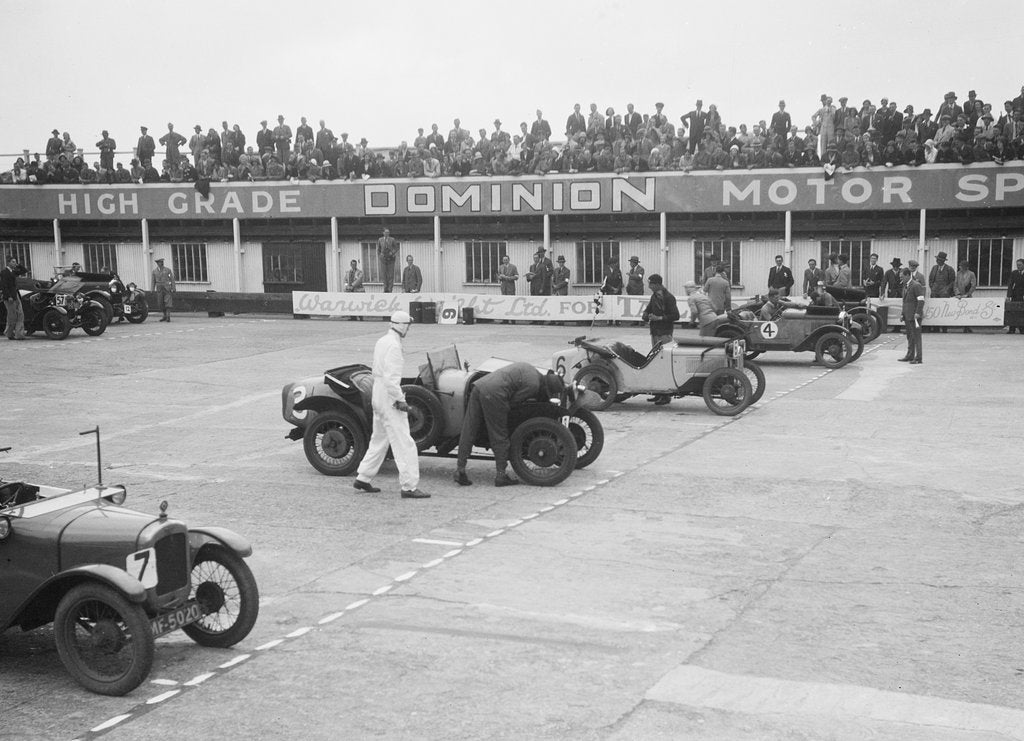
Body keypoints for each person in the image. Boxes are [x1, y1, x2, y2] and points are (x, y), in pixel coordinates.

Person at [353, 311, 429, 499]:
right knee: (405, 443)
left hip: (377, 394)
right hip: (388, 396)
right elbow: (392, 379)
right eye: (408, 326)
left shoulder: (382, 341)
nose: (408, 329)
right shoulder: (395, 346)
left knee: (379, 438)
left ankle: (363, 476)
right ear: (402, 326)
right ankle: (409, 486)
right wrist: (400, 400)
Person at [454, 362, 563, 488]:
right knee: (499, 435)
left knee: (469, 429)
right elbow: (514, 403)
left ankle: (460, 469)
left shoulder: (532, 370)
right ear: (546, 388)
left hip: (479, 386)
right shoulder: (534, 385)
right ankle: (501, 475)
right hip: (495, 394)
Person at [641, 274, 679, 405]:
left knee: (665, 363)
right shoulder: (654, 296)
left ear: (657, 284)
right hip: (655, 332)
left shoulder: (669, 298)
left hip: (665, 333)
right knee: (656, 362)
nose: (649, 286)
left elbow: (676, 315)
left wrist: (660, 318)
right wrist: (646, 315)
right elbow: (647, 310)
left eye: (651, 284)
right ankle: (658, 393)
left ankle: (666, 394)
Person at [899, 268, 924, 364]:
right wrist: (902, 313)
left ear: (908, 275)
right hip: (907, 315)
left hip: (914, 316)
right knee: (910, 336)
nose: (901, 278)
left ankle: (918, 358)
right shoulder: (905, 286)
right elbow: (905, 301)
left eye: (902, 277)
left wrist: (918, 312)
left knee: (916, 337)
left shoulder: (916, 285)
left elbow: (921, 300)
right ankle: (910, 355)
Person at [1, 254, 28, 340]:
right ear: (8, 263)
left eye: (15, 262)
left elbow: (24, 270)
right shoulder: (4, 272)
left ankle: (19, 334)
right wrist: (8, 296)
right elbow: (4, 286)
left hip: (16, 295)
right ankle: (9, 333)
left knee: (20, 314)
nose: (15, 263)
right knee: (12, 316)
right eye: (13, 262)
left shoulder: (13, 272)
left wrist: (19, 265)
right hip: (9, 297)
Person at [928, 251, 956, 333]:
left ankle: (944, 328)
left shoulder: (949, 269)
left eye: (940, 260)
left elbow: (952, 282)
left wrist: (947, 289)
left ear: (944, 261)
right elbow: (930, 280)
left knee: (944, 311)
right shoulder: (934, 268)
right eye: (937, 259)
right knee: (934, 310)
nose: (938, 261)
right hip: (934, 293)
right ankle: (935, 328)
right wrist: (932, 288)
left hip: (944, 293)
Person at [954, 259, 977, 333]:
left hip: (968, 295)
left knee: (968, 311)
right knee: (960, 311)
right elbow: (955, 284)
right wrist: (957, 293)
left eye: (961, 266)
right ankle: (962, 325)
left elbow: (973, 285)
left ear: (965, 267)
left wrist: (968, 294)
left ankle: (967, 327)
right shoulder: (958, 274)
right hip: (960, 295)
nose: (959, 267)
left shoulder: (971, 274)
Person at [151, 257, 175, 322]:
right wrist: (152, 289)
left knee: (168, 302)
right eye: (159, 262)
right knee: (160, 303)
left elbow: (172, 279)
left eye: (161, 262)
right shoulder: (154, 271)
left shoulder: (168, 270)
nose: (161, 263)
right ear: (157, 263)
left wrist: (173, 288)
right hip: (159, 289)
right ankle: (164, 315)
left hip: (167, 288)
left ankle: (168, 316)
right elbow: (153, 281)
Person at [376, 228, 399, 292]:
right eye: (386, 232)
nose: (387, 234)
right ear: (383, 233)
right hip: (383, 260)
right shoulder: (380, 240)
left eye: (388, 232)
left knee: (390, 275)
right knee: (384, 274)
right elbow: (378, 249)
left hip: (391, 259)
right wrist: (380, 255)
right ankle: (385, 288)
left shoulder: (392, 239)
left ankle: (390, 289)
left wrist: (392, 252)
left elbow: (396, 248)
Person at [1006, 258, 1024, 333]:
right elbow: (1010, 284)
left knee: (1022, 312)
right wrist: (1008, 296)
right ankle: (1012, 329)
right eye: (1017, 265)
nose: (1018, 266)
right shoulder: (1014, 273)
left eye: (1020, 265)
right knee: (1012, 311)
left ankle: (1022, 328)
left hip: (1023, 295)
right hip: (1015, 294)